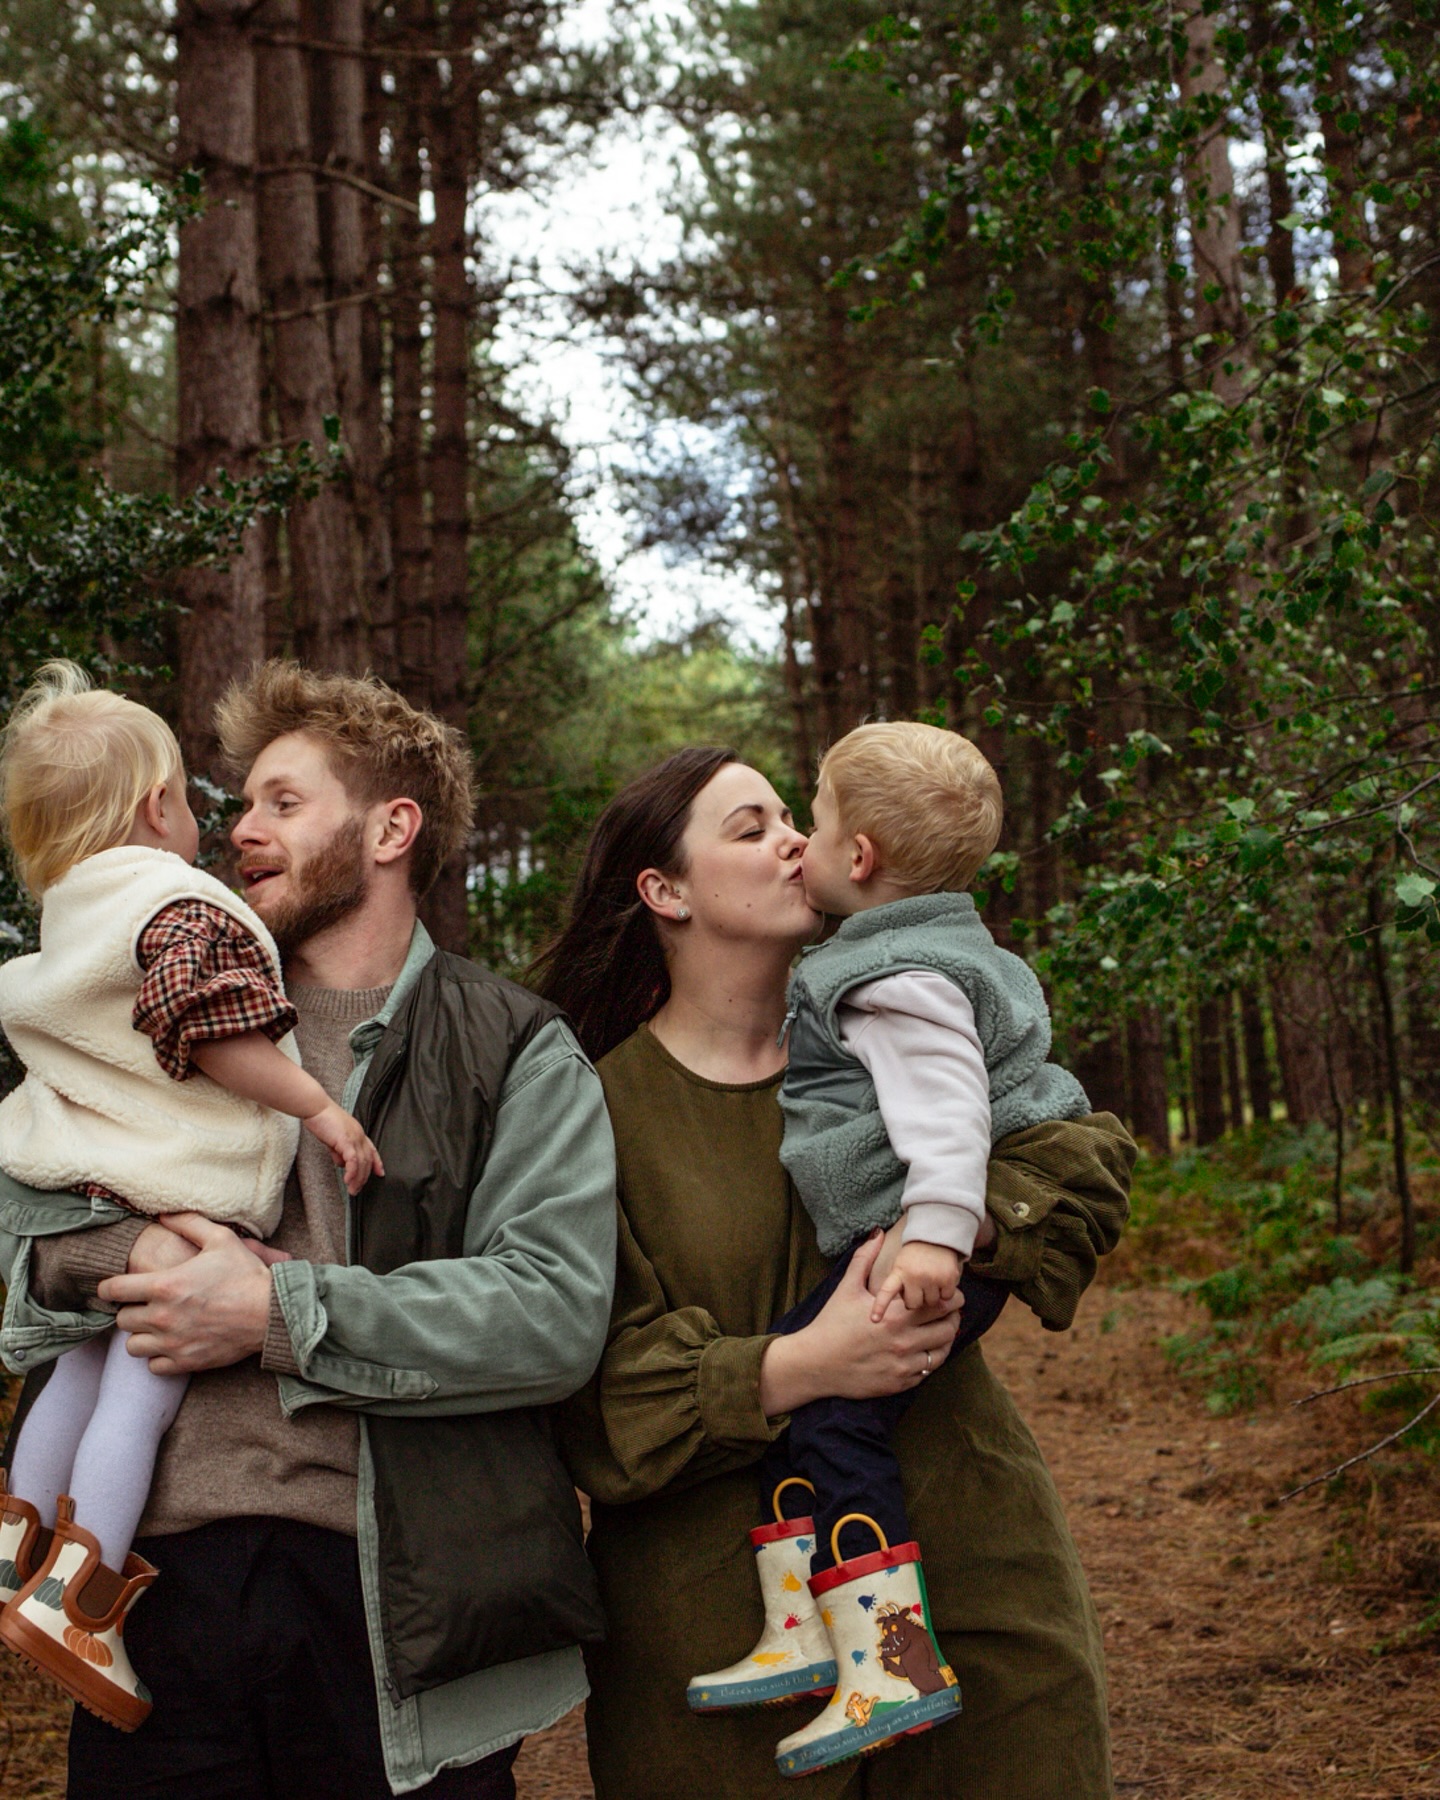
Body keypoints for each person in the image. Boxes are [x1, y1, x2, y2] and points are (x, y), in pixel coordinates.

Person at [0, 661, 618, 1799]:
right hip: (152, 1589)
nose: (242, 831)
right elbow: (25, 1216)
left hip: (400, 1601)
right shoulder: (151, 991)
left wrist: (274, 1312)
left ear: (392, 828)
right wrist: (135, 1255)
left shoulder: (515, 1048)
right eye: (238, 805)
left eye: (286, 802)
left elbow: (552, 1313)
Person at [539, 746, 1135, 1800]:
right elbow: (594, 1404)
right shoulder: (588, 1110)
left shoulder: (914, 1023)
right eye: (750, 826)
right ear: (664, 891)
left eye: (791, 816)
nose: (793, 841)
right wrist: (806, 1363)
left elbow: (1084, 1168)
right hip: (715, 1635)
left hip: (976, 1574)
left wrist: (958, 1238)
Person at [699, 720, 1094, 1775]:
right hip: (920, 1228)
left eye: (810, 822)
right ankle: (806, 1625)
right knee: (799, 1399)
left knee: (830, 1418)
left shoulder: (893, 976)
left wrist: (935, 1237)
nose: (798, 843)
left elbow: (948, 1117)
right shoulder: (923, 950)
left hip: (927, 1236)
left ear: (859, 857)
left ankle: (888, 1661)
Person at [0, 662, 381, 1731]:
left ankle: (15, 1544)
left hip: (72, 1180)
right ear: (155, 806)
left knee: (76, 1357)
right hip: (157, 1186)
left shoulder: (72, 911)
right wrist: (317, 1104)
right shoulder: (171, 903)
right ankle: (85, 1603)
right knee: (140, 1382)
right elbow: (209, 1027)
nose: (230, 828)